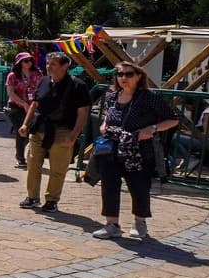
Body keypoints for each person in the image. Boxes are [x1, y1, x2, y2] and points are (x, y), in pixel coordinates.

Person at [91, 62, 180, 239]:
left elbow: (173, 119)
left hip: (138, 149)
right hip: (111, 147)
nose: (123, 78)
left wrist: (153, 128)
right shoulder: (112, 96)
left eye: (129, 74)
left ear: (139, 76)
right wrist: (104, 125)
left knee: (139, 186)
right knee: (109, 186)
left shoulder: (149, 97)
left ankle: (140, 223)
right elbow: (107, 117)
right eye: (120, 74)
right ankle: (111, 224)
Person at [17, 52, 90, 214]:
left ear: (65, 66)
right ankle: (32, 197)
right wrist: (25, 124)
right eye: (48, 63)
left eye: (54, 64)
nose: (49, 67)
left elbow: (83, 113)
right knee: (33, 164)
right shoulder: (43, 81)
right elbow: (35, 104)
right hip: (39, 129)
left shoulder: (77, 85)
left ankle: (51, 200)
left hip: (62, 131)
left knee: (57, 168)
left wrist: (74, 136)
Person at [5, 51, 43, 169]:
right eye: (26, 61)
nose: (29, 63)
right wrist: (23, 104)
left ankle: (23, 153)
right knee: (21, 130)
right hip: (16, 107)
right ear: (20, 63)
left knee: (32, 131)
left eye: (30, 60)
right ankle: (20, 158)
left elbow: (42, 89)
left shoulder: (38, 74)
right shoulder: (13, 76)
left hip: (33, 107)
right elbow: (11, 93)